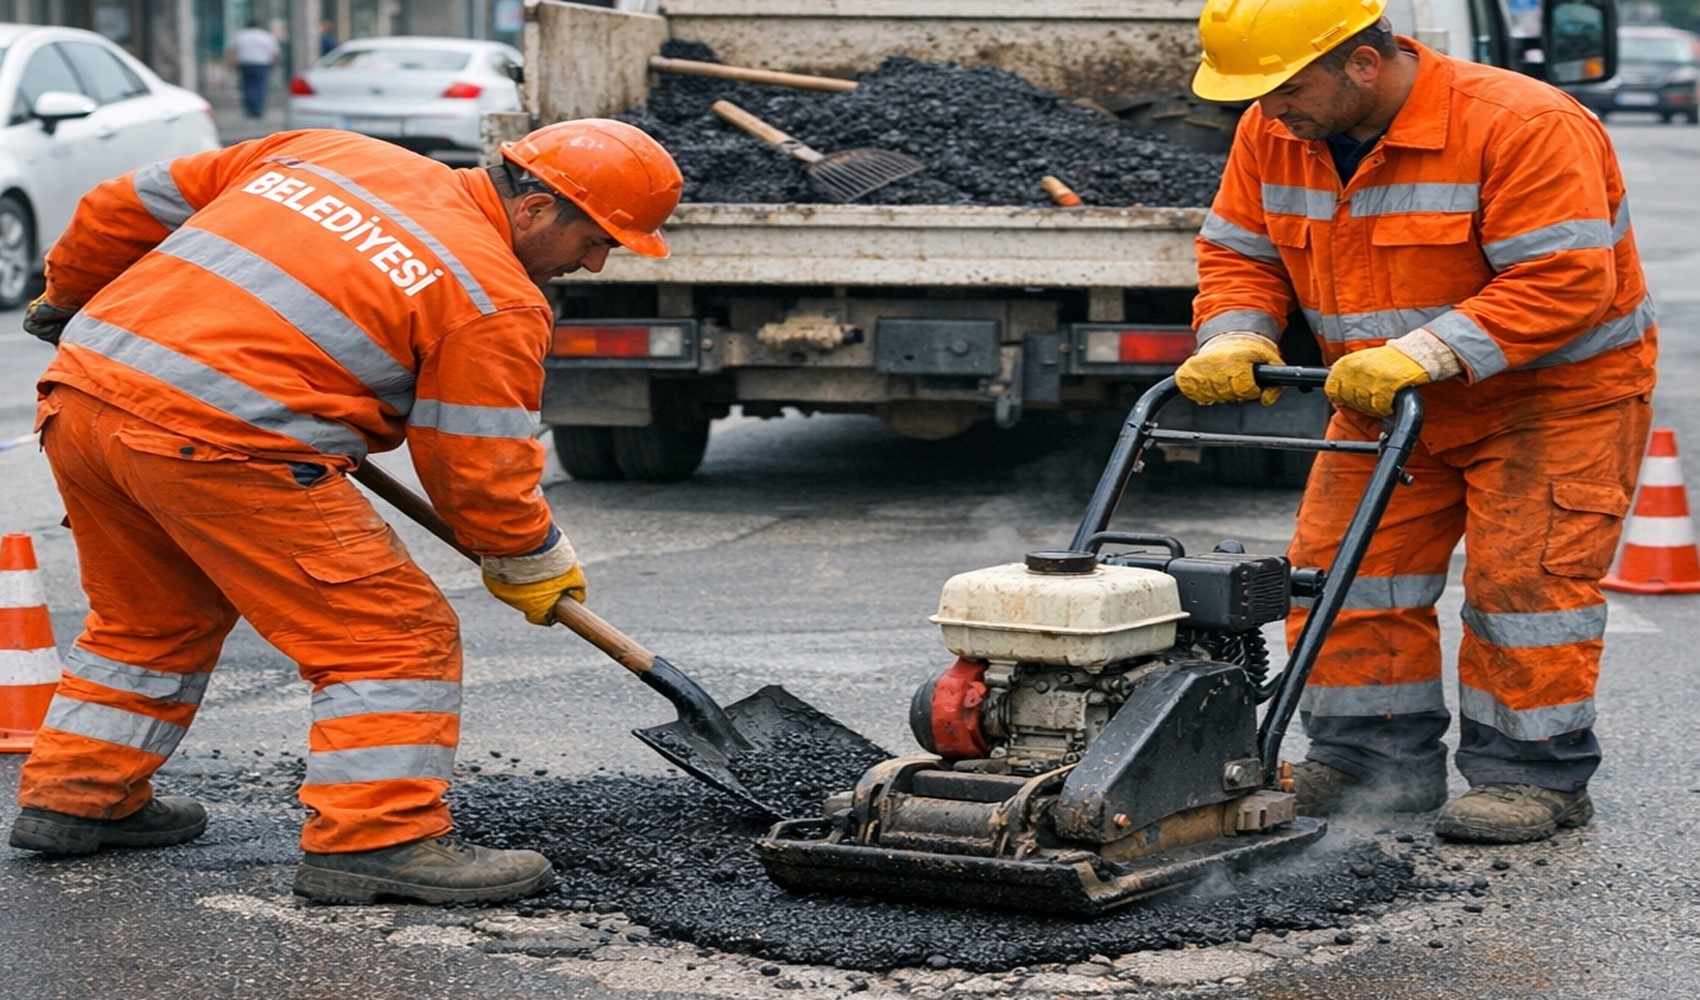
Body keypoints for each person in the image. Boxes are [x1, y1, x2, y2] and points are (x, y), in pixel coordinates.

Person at [10, 119, 684, 904]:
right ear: (535, 207)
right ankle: (378, 838)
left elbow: (120, 205)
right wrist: (530, 559)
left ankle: (77, 795)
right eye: (597, 238)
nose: (596, 261)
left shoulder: (329, 151)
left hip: (85, 401)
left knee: (151, 618)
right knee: (391, 639)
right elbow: (479, 471)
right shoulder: (493, 297)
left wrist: (71, 294)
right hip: (223, 446)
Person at [1177, 0, 1656, 843]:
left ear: (1363, 62)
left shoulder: (1521, 122)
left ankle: (1531, 774)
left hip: (1547, 399)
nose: (1265, 108)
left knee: (1524, 591)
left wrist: (1425, 354)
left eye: (1283, 86)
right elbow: (1240, 250)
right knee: (1347, 576)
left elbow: (1565, 280)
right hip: (1381, 397)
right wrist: (1238, 331)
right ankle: (1372, 763)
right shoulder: (1273, 130)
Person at [228, 18, 281, 118]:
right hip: (261, 64)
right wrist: (275, 65)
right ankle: (258, 109)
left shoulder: (240, 36)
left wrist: (232, 64)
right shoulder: (266, 36)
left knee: (247, 87)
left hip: (245, 63)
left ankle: (249, 109)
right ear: (259, 26)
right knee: (260, 87)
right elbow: (275, 53)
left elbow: (232, 52)